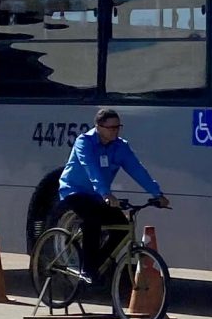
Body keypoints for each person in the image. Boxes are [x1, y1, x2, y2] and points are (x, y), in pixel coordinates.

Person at [52, 107, 165, 279]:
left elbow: (137, 170)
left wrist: (157, 193)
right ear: (98, 127)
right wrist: (105, 194)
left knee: (122, 228)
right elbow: (92, 170)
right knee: (93, 219)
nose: (115, 131)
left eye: (118, 127)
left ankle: (95, 262)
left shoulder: (120, 146)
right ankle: (87, 268)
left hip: (98, 195)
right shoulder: (84, 142)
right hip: (74, 191)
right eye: (111, 128)